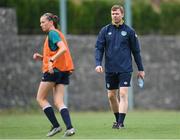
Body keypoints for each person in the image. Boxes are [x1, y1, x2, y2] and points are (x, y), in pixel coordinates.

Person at [95, 5, 145, 129]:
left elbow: (136, 51)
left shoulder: (129, 31)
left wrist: (141, 69)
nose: (115, 16)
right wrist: (98, 63)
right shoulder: (105, 31)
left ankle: (121, 123)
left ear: (122, 14)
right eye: (113, 14)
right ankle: (118, 121)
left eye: (117, 13)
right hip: (110, 69)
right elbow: (99, 48)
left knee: (123, 94)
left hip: (125, 69)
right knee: (111, 96)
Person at [33, 13, 75, 137]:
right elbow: (56, 53)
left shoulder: (52, 33)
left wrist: (51, 61)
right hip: (63, 71)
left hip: (53, 71)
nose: (41, 25)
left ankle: (56, 126)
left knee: (40, 98)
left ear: (51, 22)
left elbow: (63, 49)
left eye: (43, 22)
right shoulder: (58, 33)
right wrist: (42, 57)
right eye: (40, 23)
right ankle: (70, 128)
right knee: (58, 101)